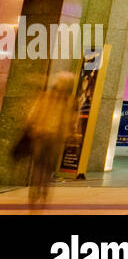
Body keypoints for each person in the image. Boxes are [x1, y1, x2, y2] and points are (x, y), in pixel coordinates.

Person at [16, 72, 75, 207]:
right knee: (42, 165)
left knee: (45, 166)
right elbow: (34, 114)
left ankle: (41, 192)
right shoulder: (49, 98)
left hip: (51, 137)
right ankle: (38, 192)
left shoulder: (66, 100)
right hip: (43, 136)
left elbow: (69, 120)